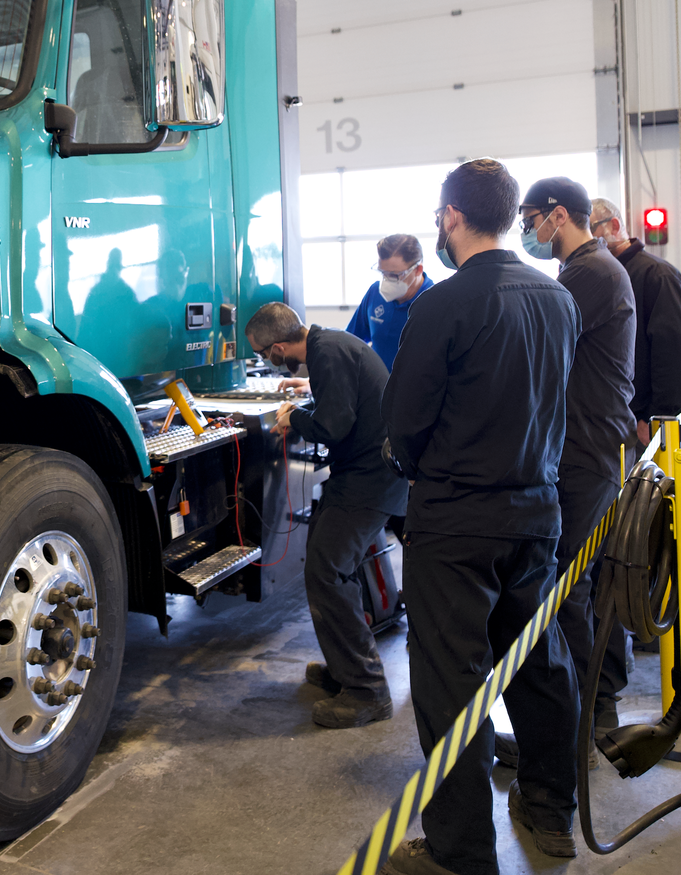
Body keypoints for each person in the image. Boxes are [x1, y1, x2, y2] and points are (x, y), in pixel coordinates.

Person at [379, 159, 581, 875]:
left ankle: (461, 854)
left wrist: (419, 467)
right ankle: (551, 811)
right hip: (536, 512)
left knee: (451, 685)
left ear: (452, 216)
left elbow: (405, 423)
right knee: (539, 663)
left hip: (456, 521)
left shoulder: (443, 304)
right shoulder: (558, 298)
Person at [495, 179, 636, 772]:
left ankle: (570, 734)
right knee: (575, 586)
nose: (528, 231)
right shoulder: (585, 270)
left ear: (557, 216)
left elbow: (533, 343)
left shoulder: (590, 274)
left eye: (529, 219)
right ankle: (585, 718)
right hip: (585, 446)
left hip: (587, 451)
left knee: (566, 589)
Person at [246, 302, 409, 729]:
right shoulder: (327, 346)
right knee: (327, 563)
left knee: (327, 572)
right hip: (363, 475)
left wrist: (294, 416)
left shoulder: (327, 352)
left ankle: (368, 691)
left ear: (278, 348)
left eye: (262, 353)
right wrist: (307, 404)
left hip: (370, 480)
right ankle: (345, 668)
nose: (265, 360)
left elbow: (334, 425)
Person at [590, 198, 681, 445]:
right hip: (614, 426)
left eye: (589, 229)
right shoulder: (602, 277)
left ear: (614, 226)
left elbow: (677, 355)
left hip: (646, 429)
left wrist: (657, 418)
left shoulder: (658, 276)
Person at [346, 234, 434, 370]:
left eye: (394, 275)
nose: (387, 281)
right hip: (377, 381)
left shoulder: (434, 302)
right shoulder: (375, 293)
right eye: (383, 273)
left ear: (418, 270)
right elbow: (350, 342)